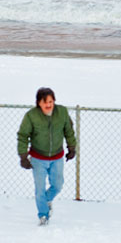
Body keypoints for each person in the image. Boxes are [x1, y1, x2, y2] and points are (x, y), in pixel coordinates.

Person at [17, 87, 77, 225]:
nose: (48, 105)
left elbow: (69, 130)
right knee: (39, 189)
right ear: (39, 103)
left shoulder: (62, 112)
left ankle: (47, 200)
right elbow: (23, 136)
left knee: (58, 185)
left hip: (57, 157)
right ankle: (43, 215)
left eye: (51, 101)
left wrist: (72, 148)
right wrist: (23, 156)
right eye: (45, 102)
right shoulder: (31, 116)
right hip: (38, 158)